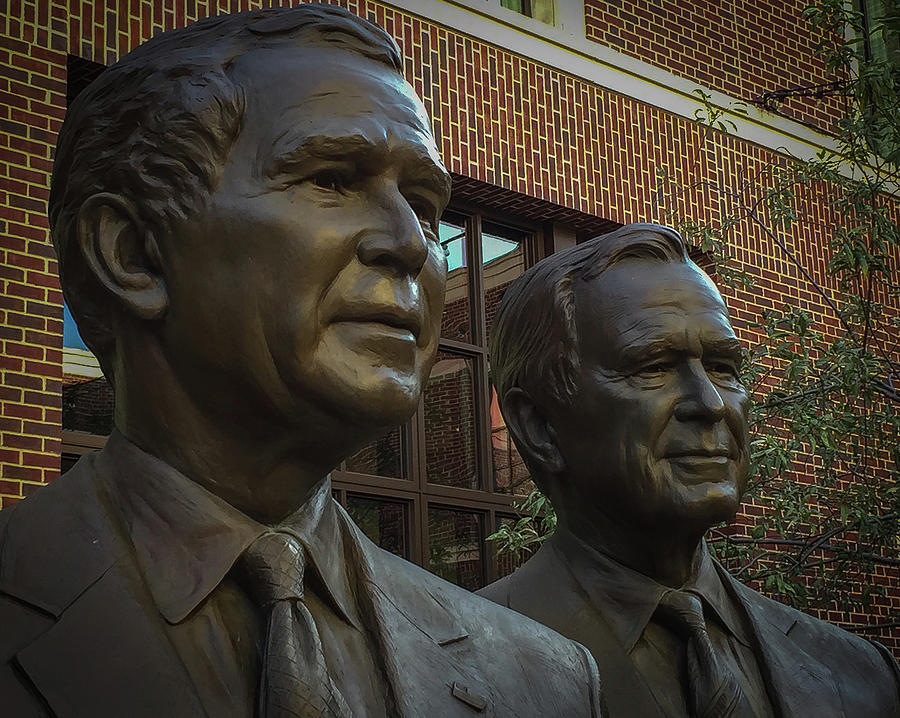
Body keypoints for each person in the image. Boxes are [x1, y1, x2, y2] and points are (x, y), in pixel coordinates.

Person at [0, 6, 602, 717]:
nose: (412, 244)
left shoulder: (547, 680)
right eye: (330, 180)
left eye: (422, 201)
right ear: (132, 252)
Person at [478, 223, 900, 717]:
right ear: (539, 425)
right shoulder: (453, 669)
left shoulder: (861, 675)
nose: (711, 403)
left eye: (724, 367)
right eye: (653, 366)